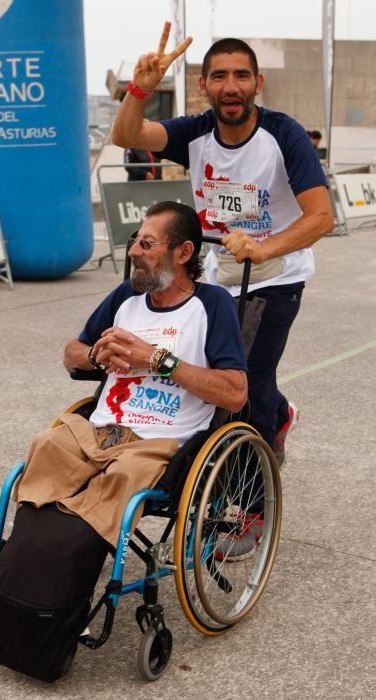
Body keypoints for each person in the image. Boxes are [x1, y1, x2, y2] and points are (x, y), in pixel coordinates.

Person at [111, 22, 334, 468]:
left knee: (245, 378)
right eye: (219, 76)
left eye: (241, 75)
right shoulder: (195, 133)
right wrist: (139, 89)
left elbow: (321, 216)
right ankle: (280, 411)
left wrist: (265, 247)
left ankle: (251, 498)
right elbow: (126, 137)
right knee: (214, 367)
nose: (230, 86)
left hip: (277, 276)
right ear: (204, 86)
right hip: (221, 274)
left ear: (257, 83)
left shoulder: (283, 135)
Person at [14, 201, 247, 547]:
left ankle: (69, 562)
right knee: (46, 446)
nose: (134, 251)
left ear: (184, 253)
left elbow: (234, 393)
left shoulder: (212, 304)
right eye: (136, 240)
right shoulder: (127, 296)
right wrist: (95, 355)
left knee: (122, 476)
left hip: (160, 442)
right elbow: (71, 354)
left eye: (147, 244)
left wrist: (157, 359)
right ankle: (30, 560)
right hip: (100, 432)